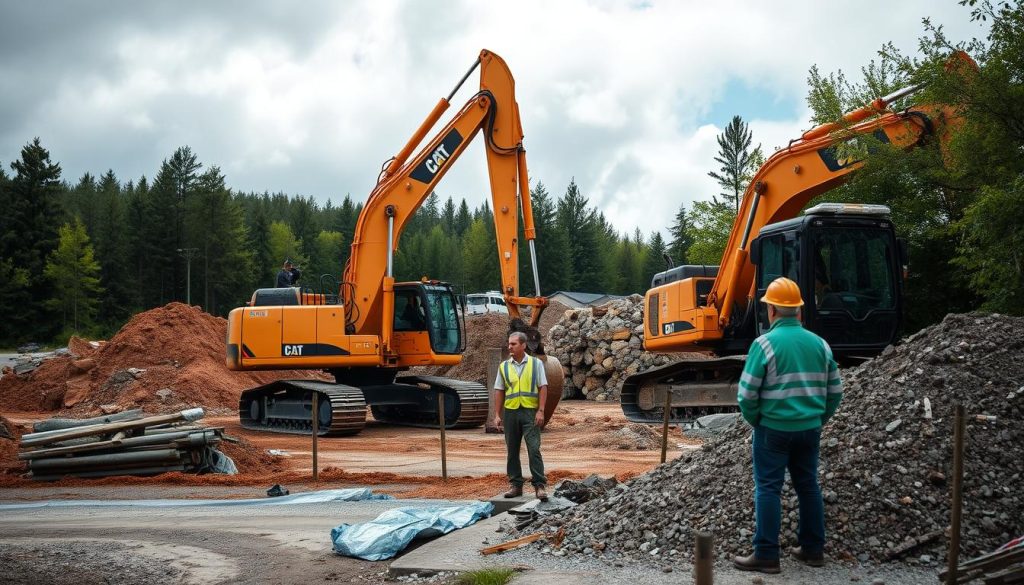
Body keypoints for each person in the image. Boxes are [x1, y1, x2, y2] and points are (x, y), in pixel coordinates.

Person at [733, 277, 843, 575]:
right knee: (808, 485)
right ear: (799, 311)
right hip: (809, 429)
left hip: (774, 429)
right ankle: (813, 549)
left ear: (770, 310)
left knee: (768, 487)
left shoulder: (764, 344)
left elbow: (746, 394)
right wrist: (817, 419)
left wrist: (757, 420)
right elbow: (835, 392)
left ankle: (767, 554)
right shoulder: (820, 344)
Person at [491, 331, 549, 501]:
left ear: (523, 345)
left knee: (533, 448)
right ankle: (516, 485)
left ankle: (539, 485)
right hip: (510, 413)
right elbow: (499, 390)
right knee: (512, 450)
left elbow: (543, 387)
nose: (509, 347)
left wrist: (541, 410)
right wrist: (497, 414)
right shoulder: (504, 366)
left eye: (513, 344)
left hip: (530, 412)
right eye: (509, 344)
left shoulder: (535, 364)